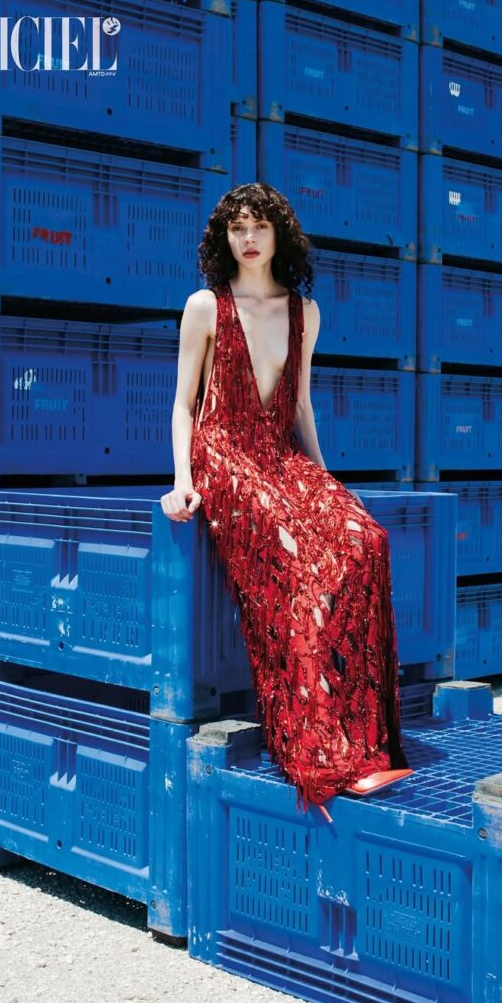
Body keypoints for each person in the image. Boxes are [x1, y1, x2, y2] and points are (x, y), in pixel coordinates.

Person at [161, 182, 411, 821]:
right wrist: (183, 480)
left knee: (365, 539)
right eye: (236, 228)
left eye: (259, 227)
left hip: (281, 457)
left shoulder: (306, 312)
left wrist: (326, 485)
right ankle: (317, 748)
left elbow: (299, 405)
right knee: (300, 564)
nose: (248, 239)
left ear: (279, 236)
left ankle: (366, 739)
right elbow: (184, 405)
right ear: (224, 238)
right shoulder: (205, 307)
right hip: (225, 456)